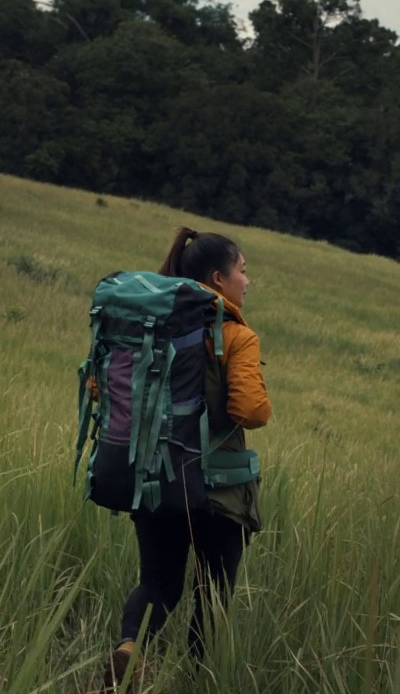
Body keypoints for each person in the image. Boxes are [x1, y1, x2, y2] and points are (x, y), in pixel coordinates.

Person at [101, 226, 273, 691]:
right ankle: (195, 683)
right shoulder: (235, 333)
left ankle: (130, 646)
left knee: (158, 583)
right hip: (218, 491)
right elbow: (250, 411)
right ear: (218, 278)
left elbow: (106, 392)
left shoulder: (146, 328)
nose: (247, 281)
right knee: (211, 596)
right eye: (243, 271)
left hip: (155, 480)